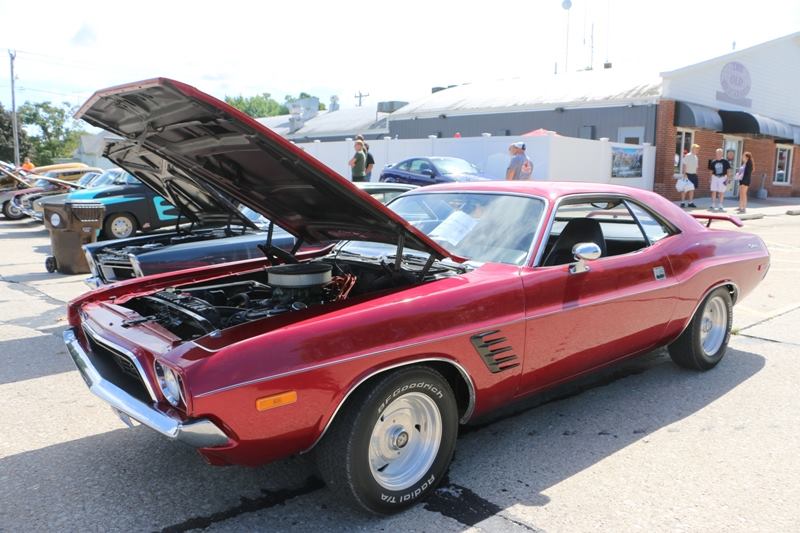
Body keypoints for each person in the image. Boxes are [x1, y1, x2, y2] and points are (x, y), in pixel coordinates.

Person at [680, 144, 700, 208]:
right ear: (693, 149)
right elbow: (684, 165)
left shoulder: (696, 157)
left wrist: (696, 174)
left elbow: (696, 167)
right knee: (685, 189)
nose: (697, 150)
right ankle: (682, 203)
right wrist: (685, 174)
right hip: (687, 174)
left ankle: (690, 203)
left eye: (698, 149)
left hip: (693, 175)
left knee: (692, 189)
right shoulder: (688, 156)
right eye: (696, 149)